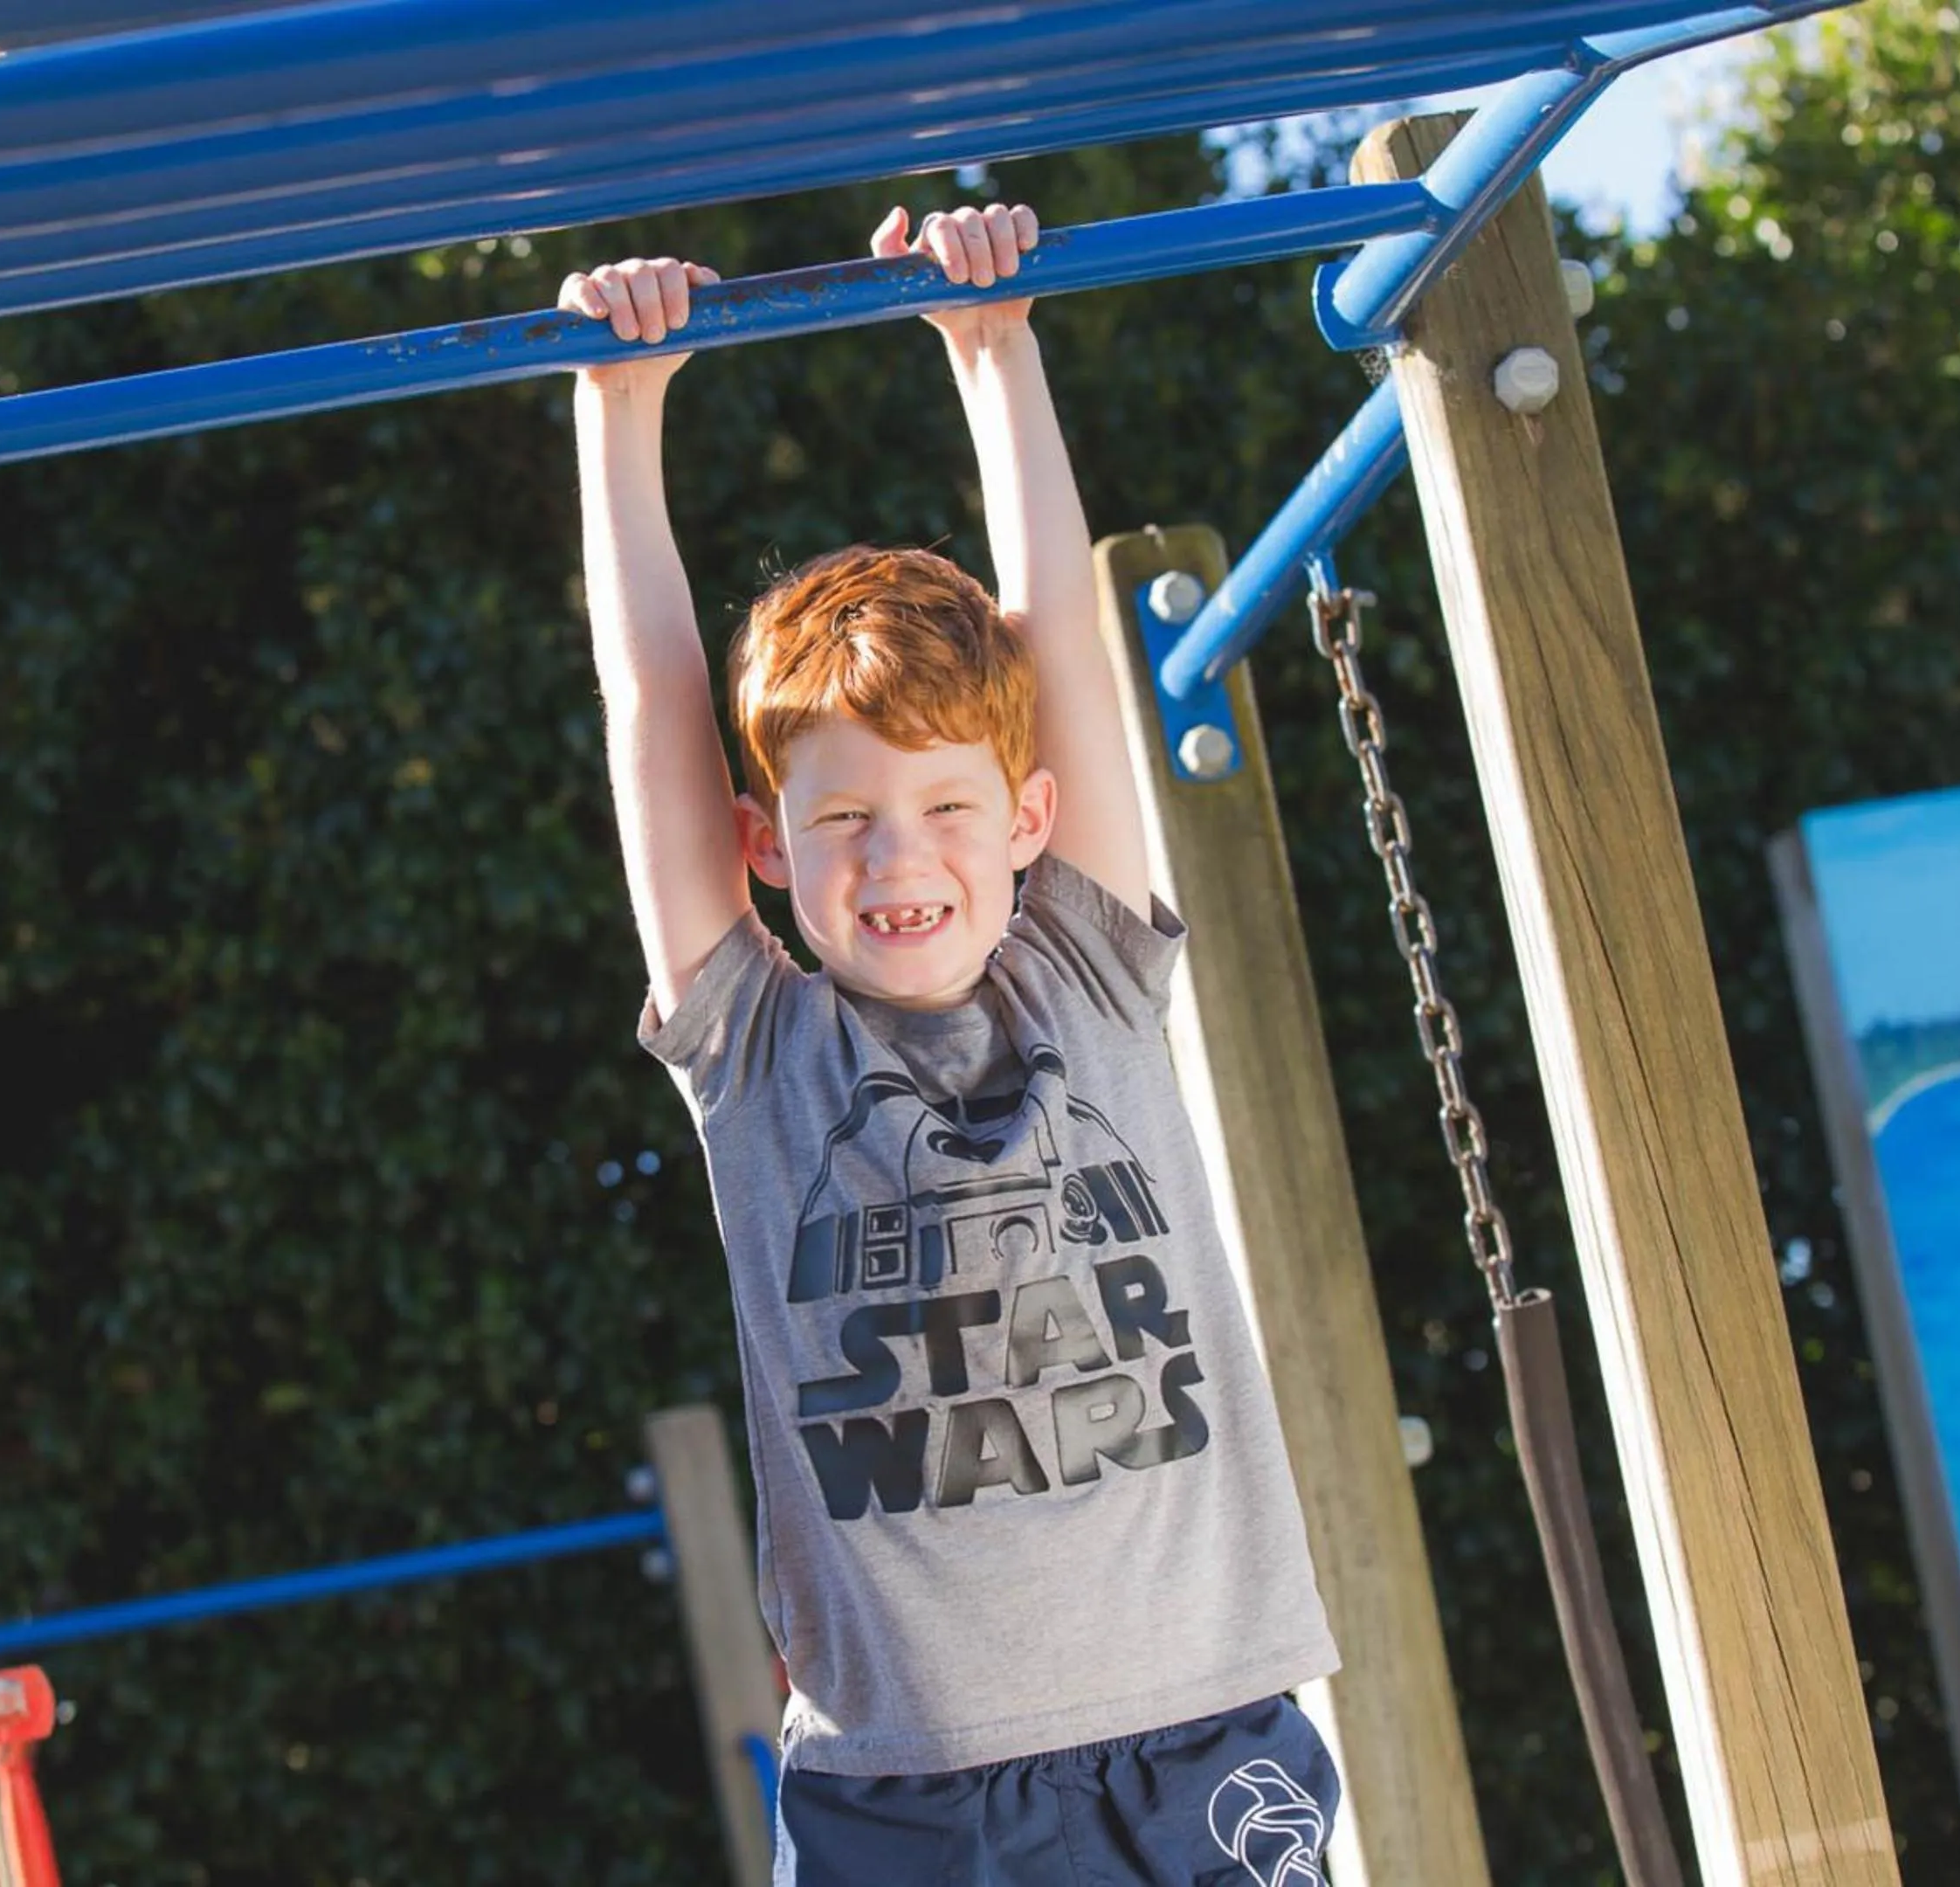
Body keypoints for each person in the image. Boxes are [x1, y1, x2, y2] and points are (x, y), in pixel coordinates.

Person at [560, 202, 1342, 1885]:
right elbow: (651, 711)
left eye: (941, 807)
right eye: (840, 815)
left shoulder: (1089, 969)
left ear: (1028, 818)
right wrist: (617, 410)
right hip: (910, 1789)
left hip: (1199, 1740)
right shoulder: (759, 1053)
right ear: (767, 843)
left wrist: (997, 349)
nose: (897, 858)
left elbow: (1060, 638)